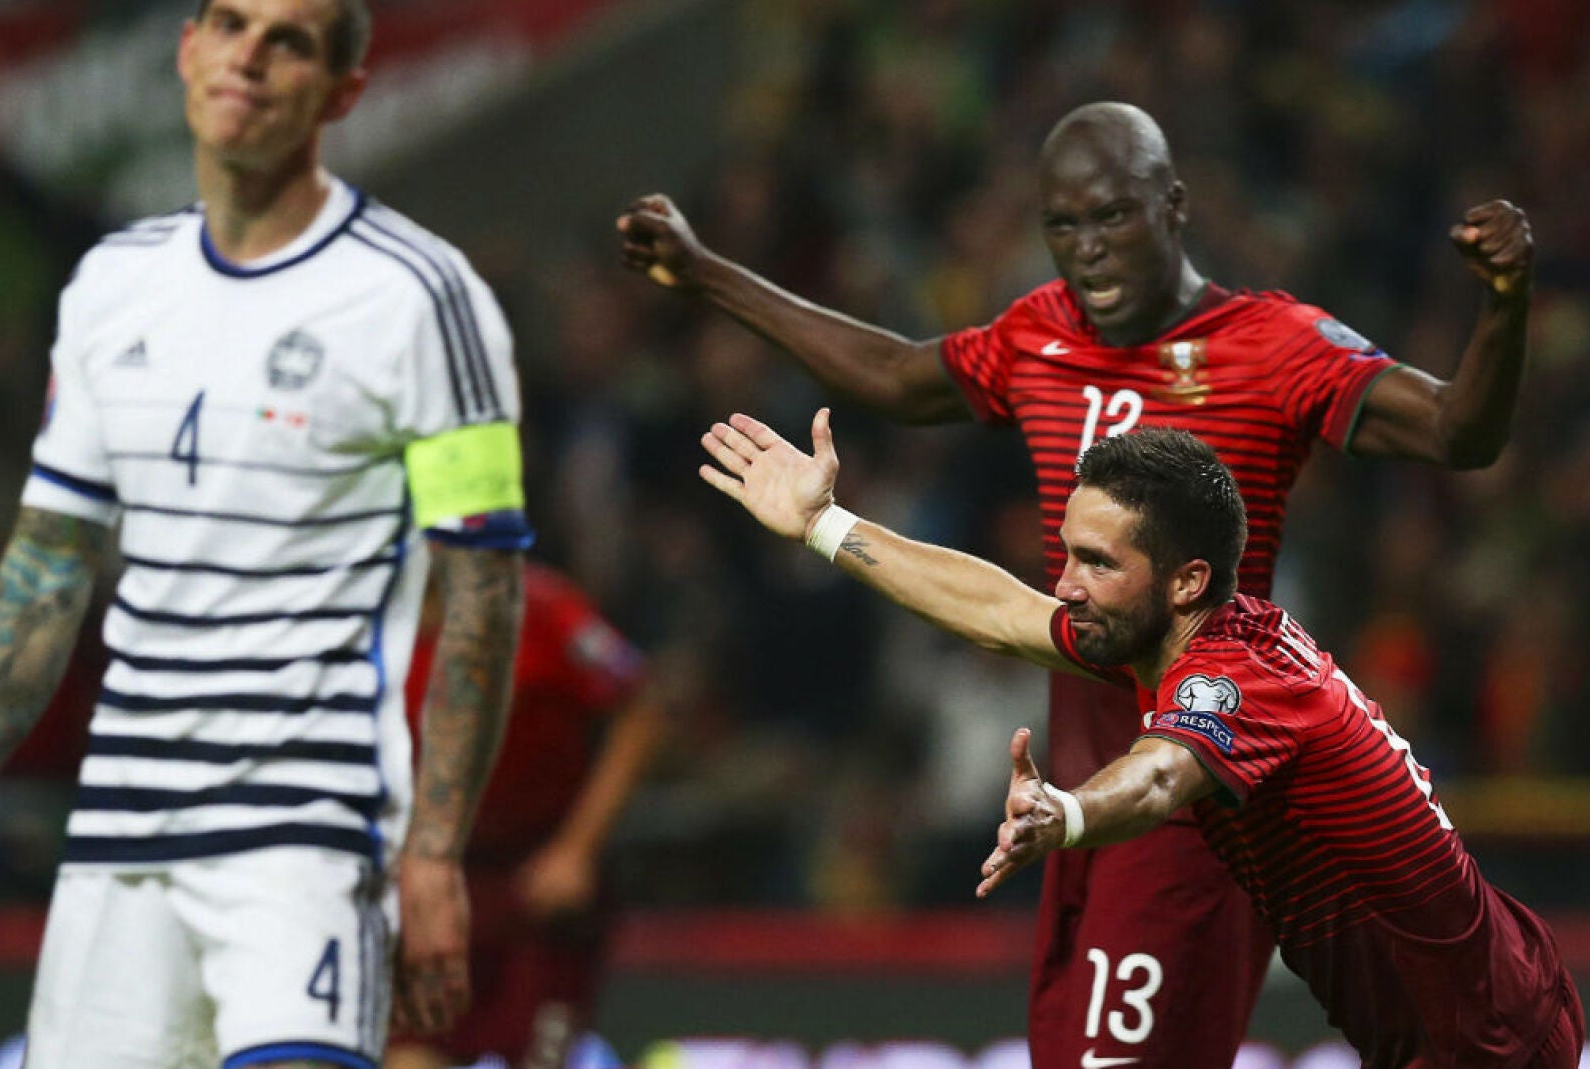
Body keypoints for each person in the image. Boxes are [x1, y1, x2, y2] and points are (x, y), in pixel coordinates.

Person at [618, 102, 1533, 1068]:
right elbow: (895, 375)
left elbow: (1456, 433)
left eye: (1112, 218)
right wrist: (708, 274)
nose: (1087, 251)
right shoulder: (1039, 334)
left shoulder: (1274, 345)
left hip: (1193, 791)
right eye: (1063, 226)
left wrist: (1506, 302)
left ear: (1173, 206)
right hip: (1070, 793)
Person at [0, 2, 531, 1066]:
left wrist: (434, 853)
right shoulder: (109, 288)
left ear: (342, 93)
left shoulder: (421, 299)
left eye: (291, 41)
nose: (250, 56)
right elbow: (48, 558)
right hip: (119, 843)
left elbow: (482, 592)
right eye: (230, 23)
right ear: (187, 51)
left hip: (308, 842)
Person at [701, 414, 1582, 1069]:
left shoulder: (1233, 682)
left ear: (1187, 577)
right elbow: (1003, 612)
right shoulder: (1182, 627)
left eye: (1097, 562)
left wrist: (1071, 812)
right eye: (1070, 553)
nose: (1067, 583)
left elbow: (1162, 776)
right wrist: (826, 525)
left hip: (1485, 1045)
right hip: (1488, 992)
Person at [388, 562, 667, 1069]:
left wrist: (576, 849)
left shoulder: (541, 608)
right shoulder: (365, 625)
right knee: (409, 1056)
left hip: (537, 885)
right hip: (430, 882)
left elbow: (640, 706)